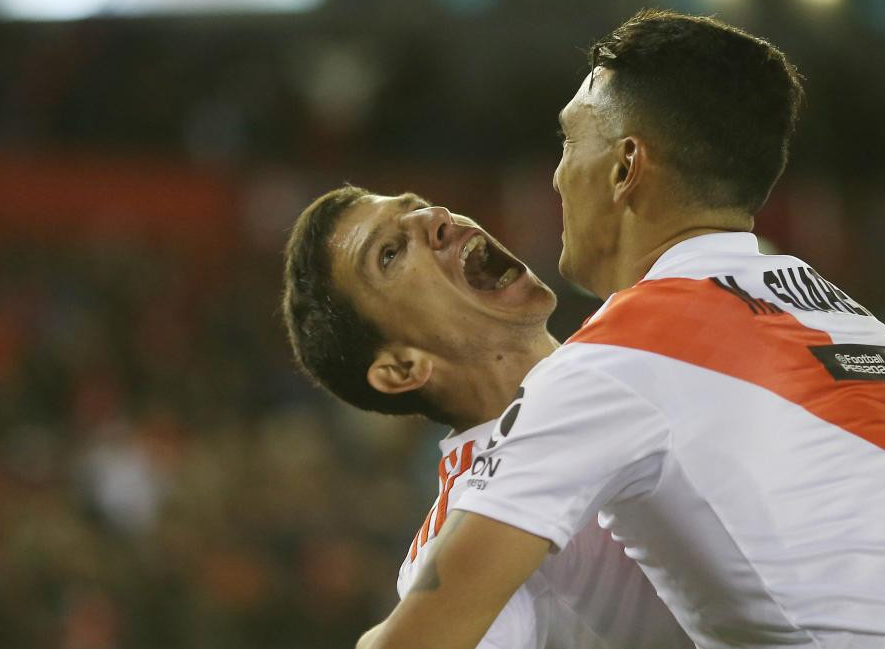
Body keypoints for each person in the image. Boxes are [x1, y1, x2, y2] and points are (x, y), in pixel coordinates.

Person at [355, 10, 885, 649]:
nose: (555, 176)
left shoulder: (612, 361)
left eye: (568, 141)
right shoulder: (842, 312)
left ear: (624, 168)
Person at [281, 185, 692, 649]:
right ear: (402, 368)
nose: (434, 217)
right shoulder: (462, 530)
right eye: (390, 254)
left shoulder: (637, 344)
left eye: (417, 208)